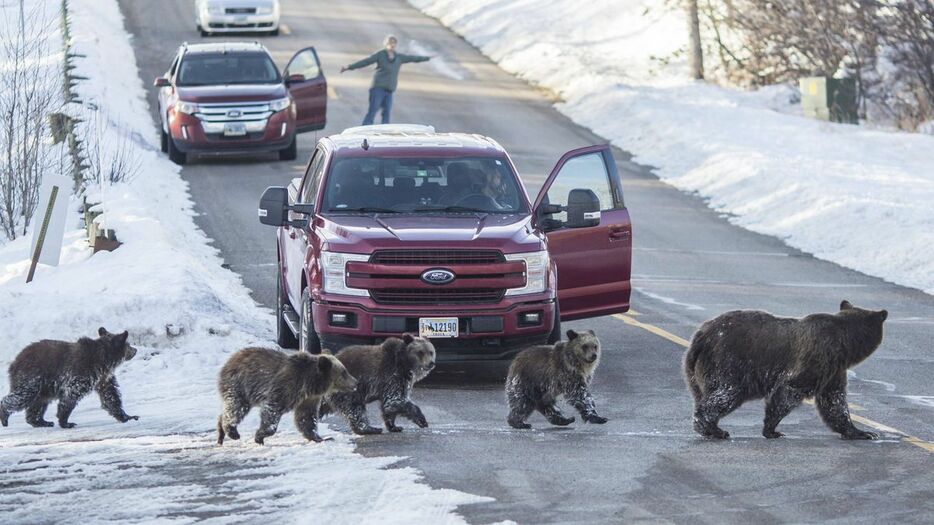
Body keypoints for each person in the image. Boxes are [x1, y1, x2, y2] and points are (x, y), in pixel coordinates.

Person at [341, 35, 431, 125]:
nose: (391, 45)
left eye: (393, 43)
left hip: (389, 90)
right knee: (373, 111)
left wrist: (427, 58)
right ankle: (365, 130)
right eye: (390, 43)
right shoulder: (380, 55)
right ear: (386, 44)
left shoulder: (399, 57)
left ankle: (385, 134)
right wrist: (349, 67)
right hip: (378, 88)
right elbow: (366, 61)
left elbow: (413, 58)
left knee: (386, 113)